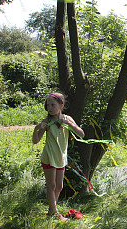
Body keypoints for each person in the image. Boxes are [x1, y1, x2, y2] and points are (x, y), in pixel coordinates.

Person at [32, 93, 85, 221]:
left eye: (52, 105)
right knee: (51, 185)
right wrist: (37, 128)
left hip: (61, 158)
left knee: (59, 187)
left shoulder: (67, 118)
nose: (49, 108)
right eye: (47, 105)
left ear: (61, 105)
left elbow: (81, 134)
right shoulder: (47, 122)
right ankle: (55, 213)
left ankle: (51, 211)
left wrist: (68, 123)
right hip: (49, 157)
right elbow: (35, 141)